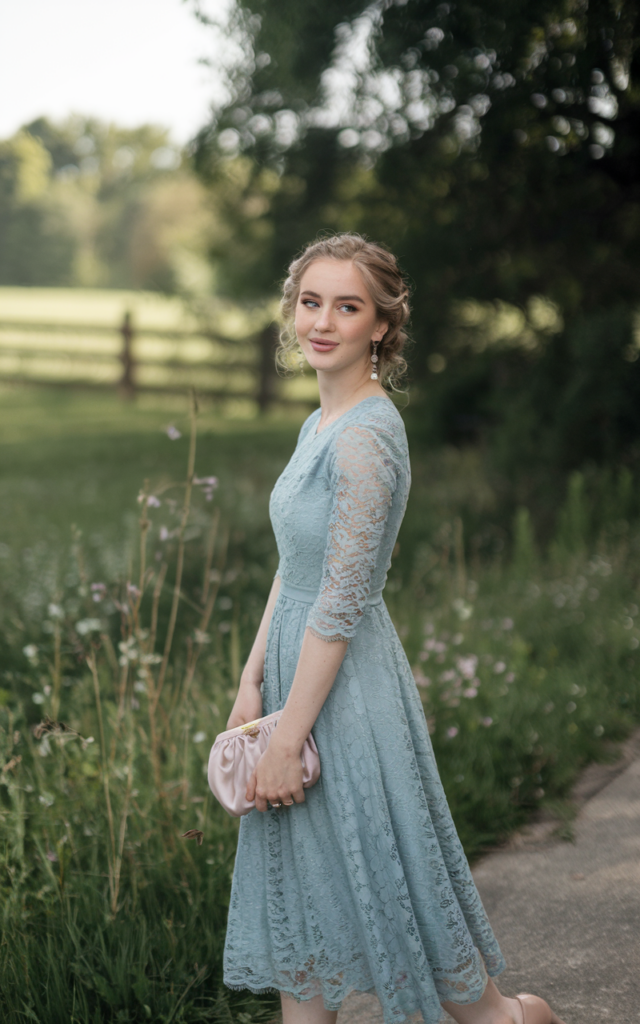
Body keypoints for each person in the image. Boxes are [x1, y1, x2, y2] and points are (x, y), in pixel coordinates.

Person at [223, 234, 565, 1024]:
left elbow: (339, 604)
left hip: (343, 691)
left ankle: (508, 1019)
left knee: (391, 875)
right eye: (312, 302)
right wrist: (251, 680)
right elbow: (296, 563)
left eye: (348, 306)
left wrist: (286, 739)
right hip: (291, 675)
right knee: (302, 899)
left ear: (380, 325)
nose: (323, 321)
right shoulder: (319, 425)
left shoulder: (370, 436)